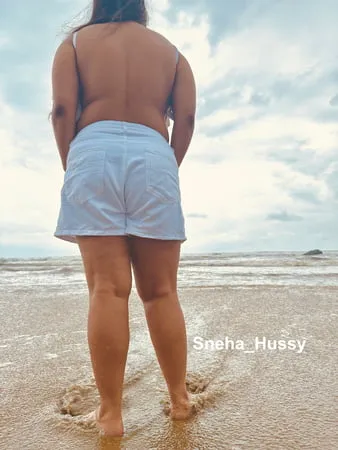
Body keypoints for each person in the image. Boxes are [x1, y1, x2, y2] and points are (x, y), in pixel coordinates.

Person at [51, 0, 196, 437]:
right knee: (161, 291)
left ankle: (111, 415)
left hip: (92, 150)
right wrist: (168, 165)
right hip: (155, 152)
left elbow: (62, 110)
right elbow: (185, 119)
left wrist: (71, 161)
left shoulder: (75, 43)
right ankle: (179, 400)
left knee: (107, 290)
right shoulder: (172, 54)